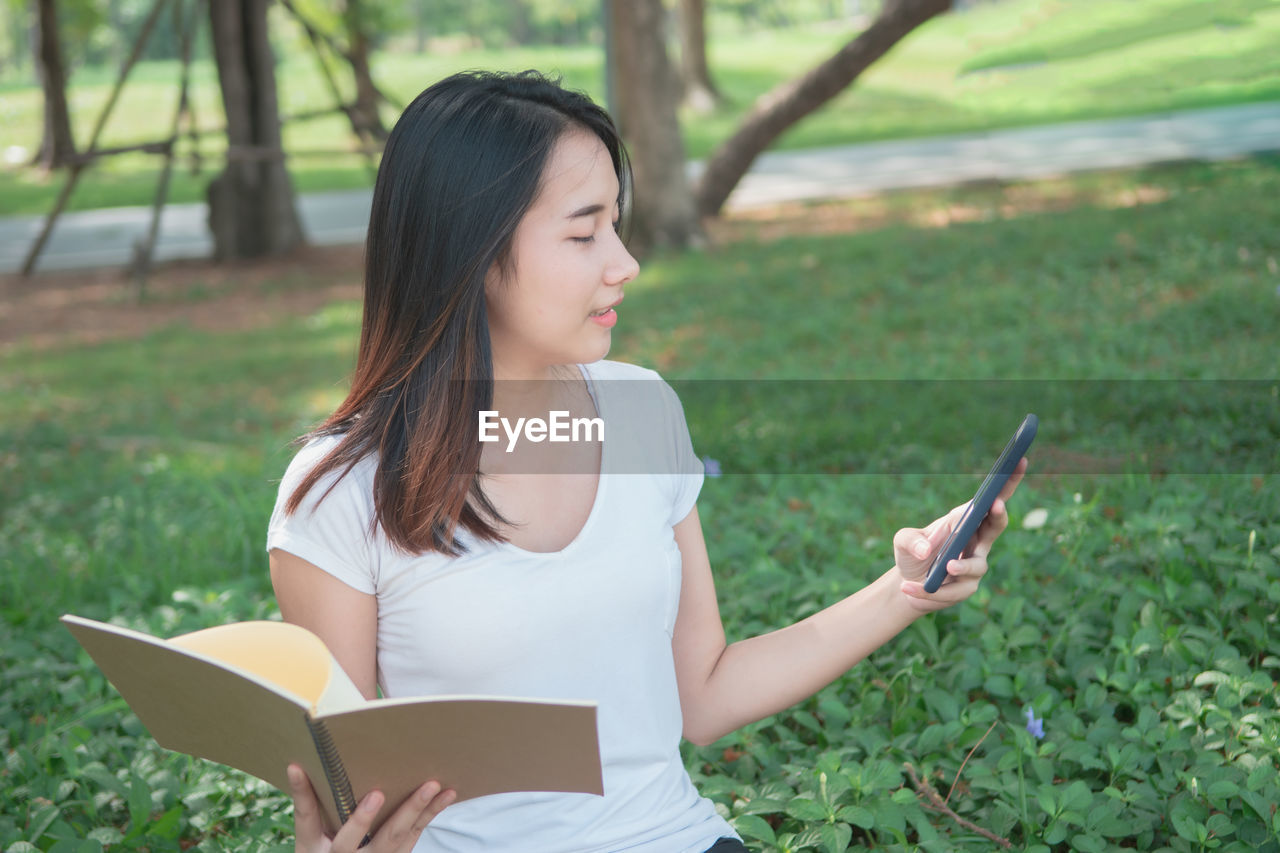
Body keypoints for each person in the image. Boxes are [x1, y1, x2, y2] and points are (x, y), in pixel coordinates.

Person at [266, 70, 1025, 853]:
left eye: (616, 225)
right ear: (472, 252)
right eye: (583, 232)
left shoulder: (640, 411)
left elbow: (704, 692)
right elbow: (346, 794)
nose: (624, 263)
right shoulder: (341, 491)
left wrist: (908, 587)